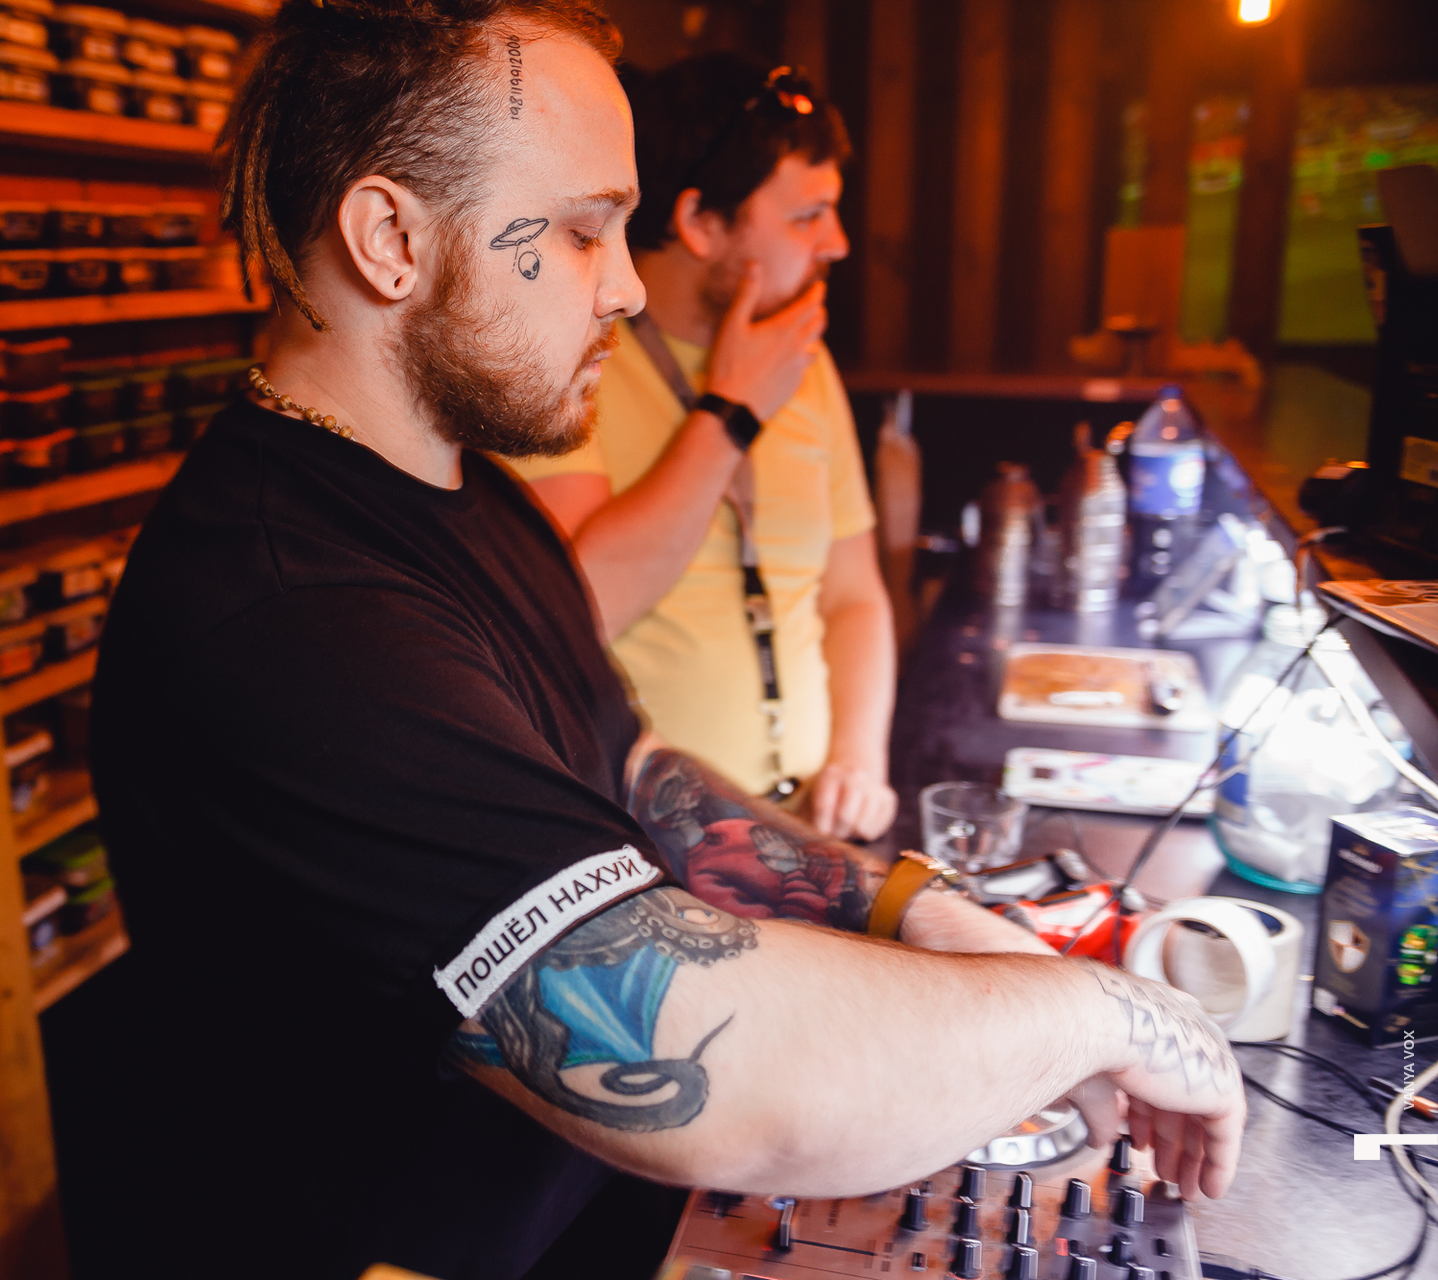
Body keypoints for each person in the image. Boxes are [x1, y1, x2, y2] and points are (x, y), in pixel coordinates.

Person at [88, 4, 1245, 1278]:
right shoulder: (292, 619)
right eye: (583, 232)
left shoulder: (469, 493)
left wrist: (919, 908)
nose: (629, 284)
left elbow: (638, 778)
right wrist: (1103, 1009)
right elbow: (733, 1076)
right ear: (391, 240)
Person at [512, 54, 896, 839]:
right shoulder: (567, 362)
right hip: (648, 841)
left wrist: (859, 756)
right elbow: (583, 610)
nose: (838, 243)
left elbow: (854, 594)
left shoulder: (805, 358)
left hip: (811, 826)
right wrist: (730, 414)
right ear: (701, 224)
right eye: (807, 217)